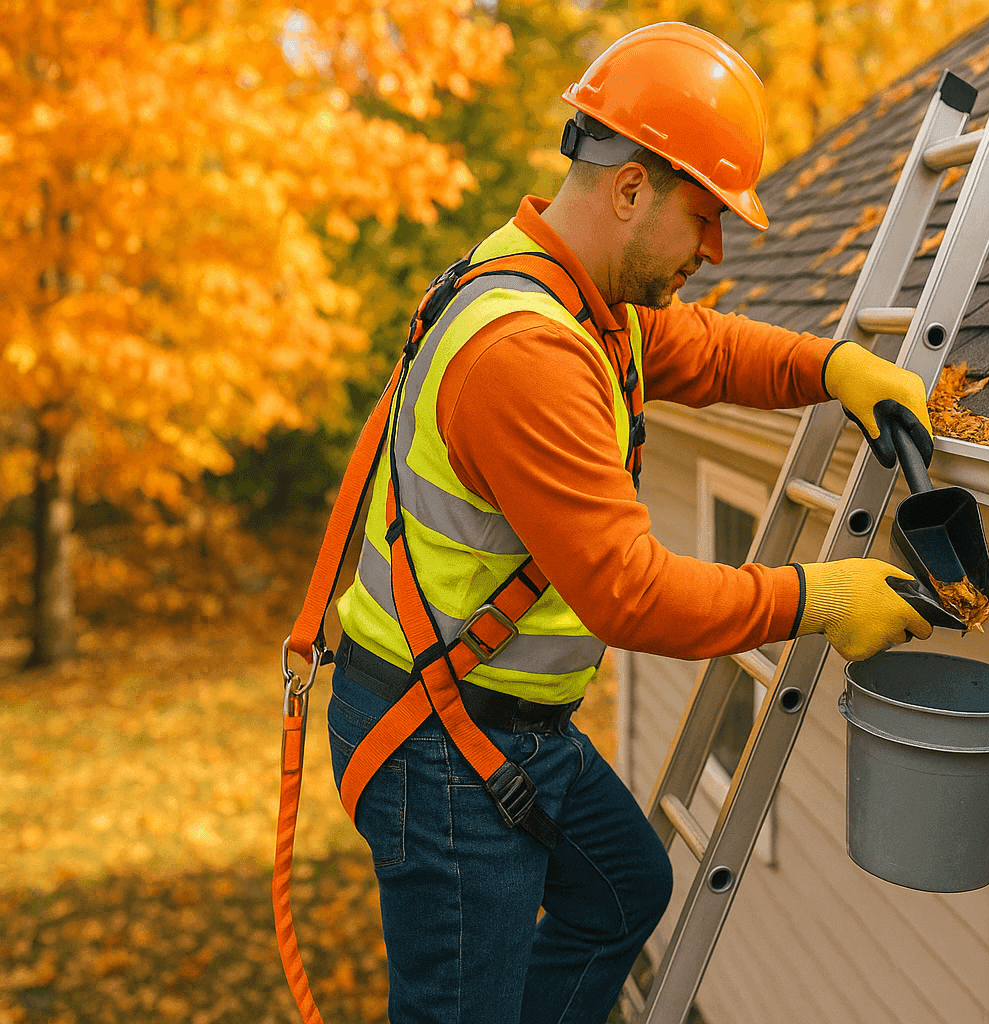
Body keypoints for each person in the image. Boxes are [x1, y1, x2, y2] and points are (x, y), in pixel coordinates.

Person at [324, 22, 934, 1024]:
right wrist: (822, 597)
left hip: (495, 720)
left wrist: (831, 369)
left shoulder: (568, 291)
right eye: (706, 216)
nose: (716, 248)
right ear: (630, 187)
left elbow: (697, 345)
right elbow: (631, 592)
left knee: (622, 892)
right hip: (439, 742)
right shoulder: (527, 353)